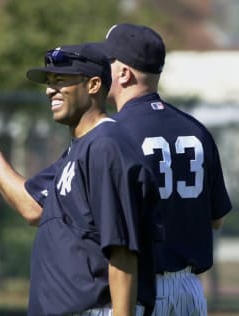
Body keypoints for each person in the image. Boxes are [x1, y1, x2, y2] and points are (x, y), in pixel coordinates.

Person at [0, 43, 159, 315]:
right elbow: (32, 208)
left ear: (93, 85)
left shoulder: (105, 146)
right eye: (49, 81)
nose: (49, 90)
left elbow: (122, 251)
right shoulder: (80, 148)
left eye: (61, 80)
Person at [95, 23, 233, 316]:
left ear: (124, 73)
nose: (102, 69)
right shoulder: (197, 130)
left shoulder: (111, 134)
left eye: (108, 62)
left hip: (135, 291)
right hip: (189, 291)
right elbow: (216, 219)